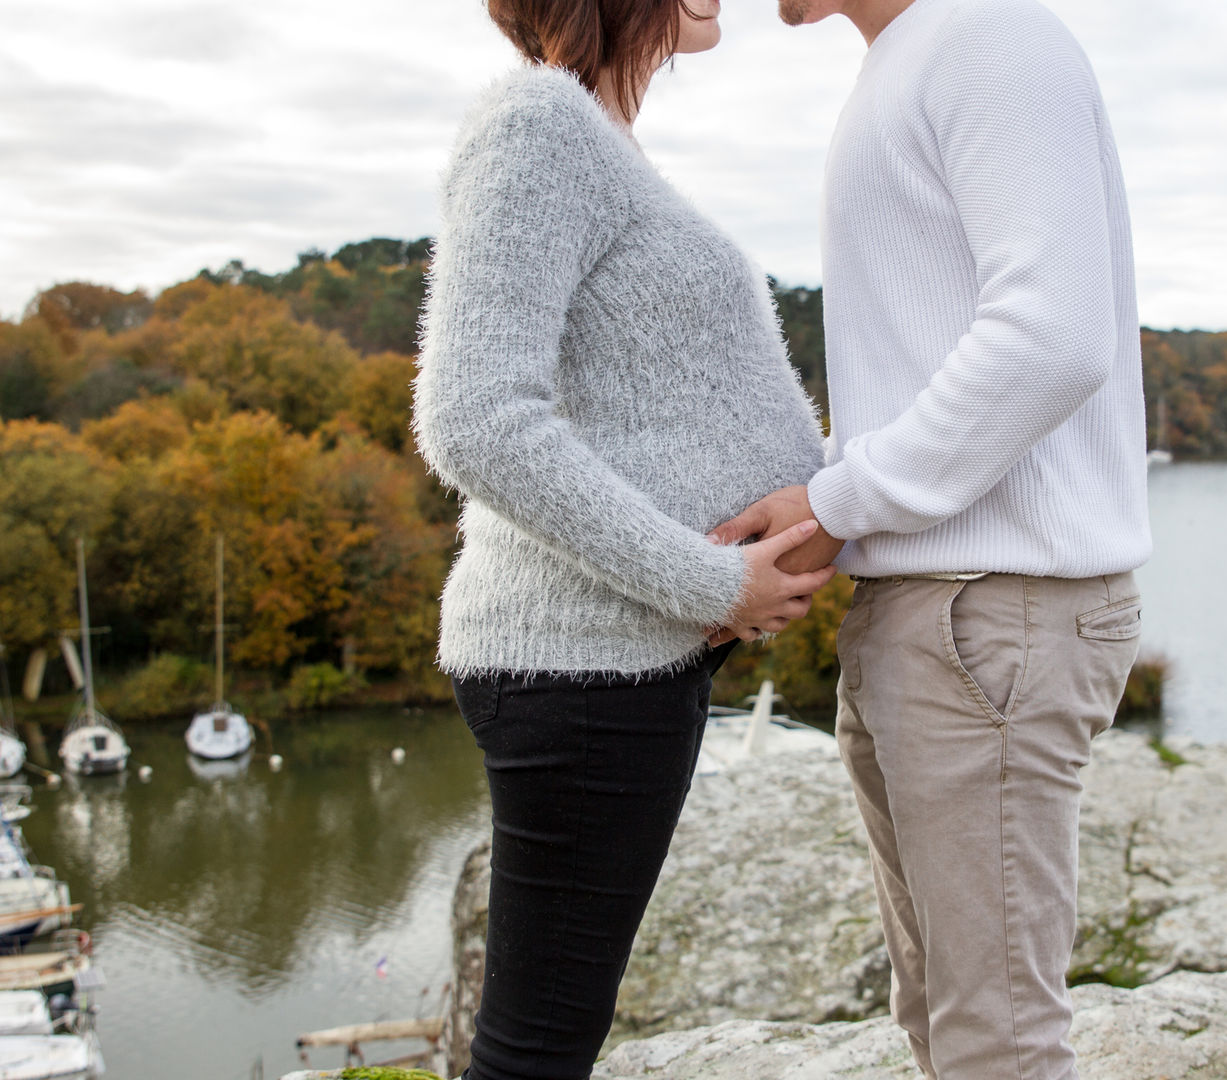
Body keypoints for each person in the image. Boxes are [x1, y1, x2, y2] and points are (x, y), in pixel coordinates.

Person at [706, 0, 1153, 1075]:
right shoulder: (911, 59)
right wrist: (827, 493)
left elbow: (1048, 335)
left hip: (989, 608)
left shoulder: (988, 33)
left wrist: (840, 501)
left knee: (993, 1040)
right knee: (943, 1021)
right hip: (943, 606)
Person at [409, 0, 834, 1075]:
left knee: (550, 1034)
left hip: (615, 663)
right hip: (583, 666)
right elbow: (473, 414)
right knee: (537, 1048)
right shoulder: (540, 121)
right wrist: (708, 580)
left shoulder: (593, 139)